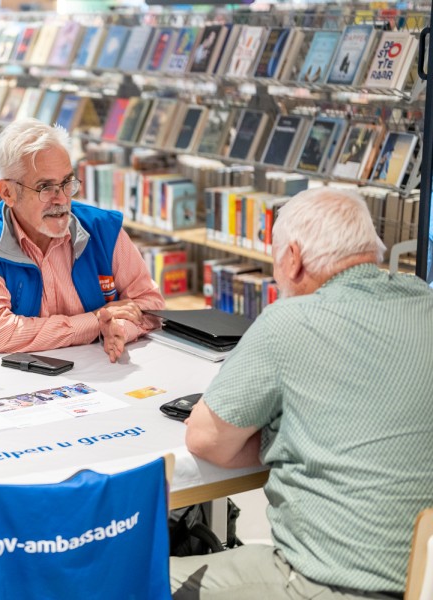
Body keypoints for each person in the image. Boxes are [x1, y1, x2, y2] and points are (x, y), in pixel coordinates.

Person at [172, 188, 433, 599]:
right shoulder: (425, 301)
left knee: (139, 575)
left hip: (331, 582)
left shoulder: (287, 323)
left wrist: (283, 435)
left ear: (292, 259)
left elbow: (206, 440)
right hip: (421, 578)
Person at [0, 118, 163, 362]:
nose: (61, 199)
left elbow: (151, 305)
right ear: (8, 193)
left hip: (97, 368)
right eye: (45, 187)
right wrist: (94, 320)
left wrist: (119, 328)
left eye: (66, 183)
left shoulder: (103, 229)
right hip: (10, 376)